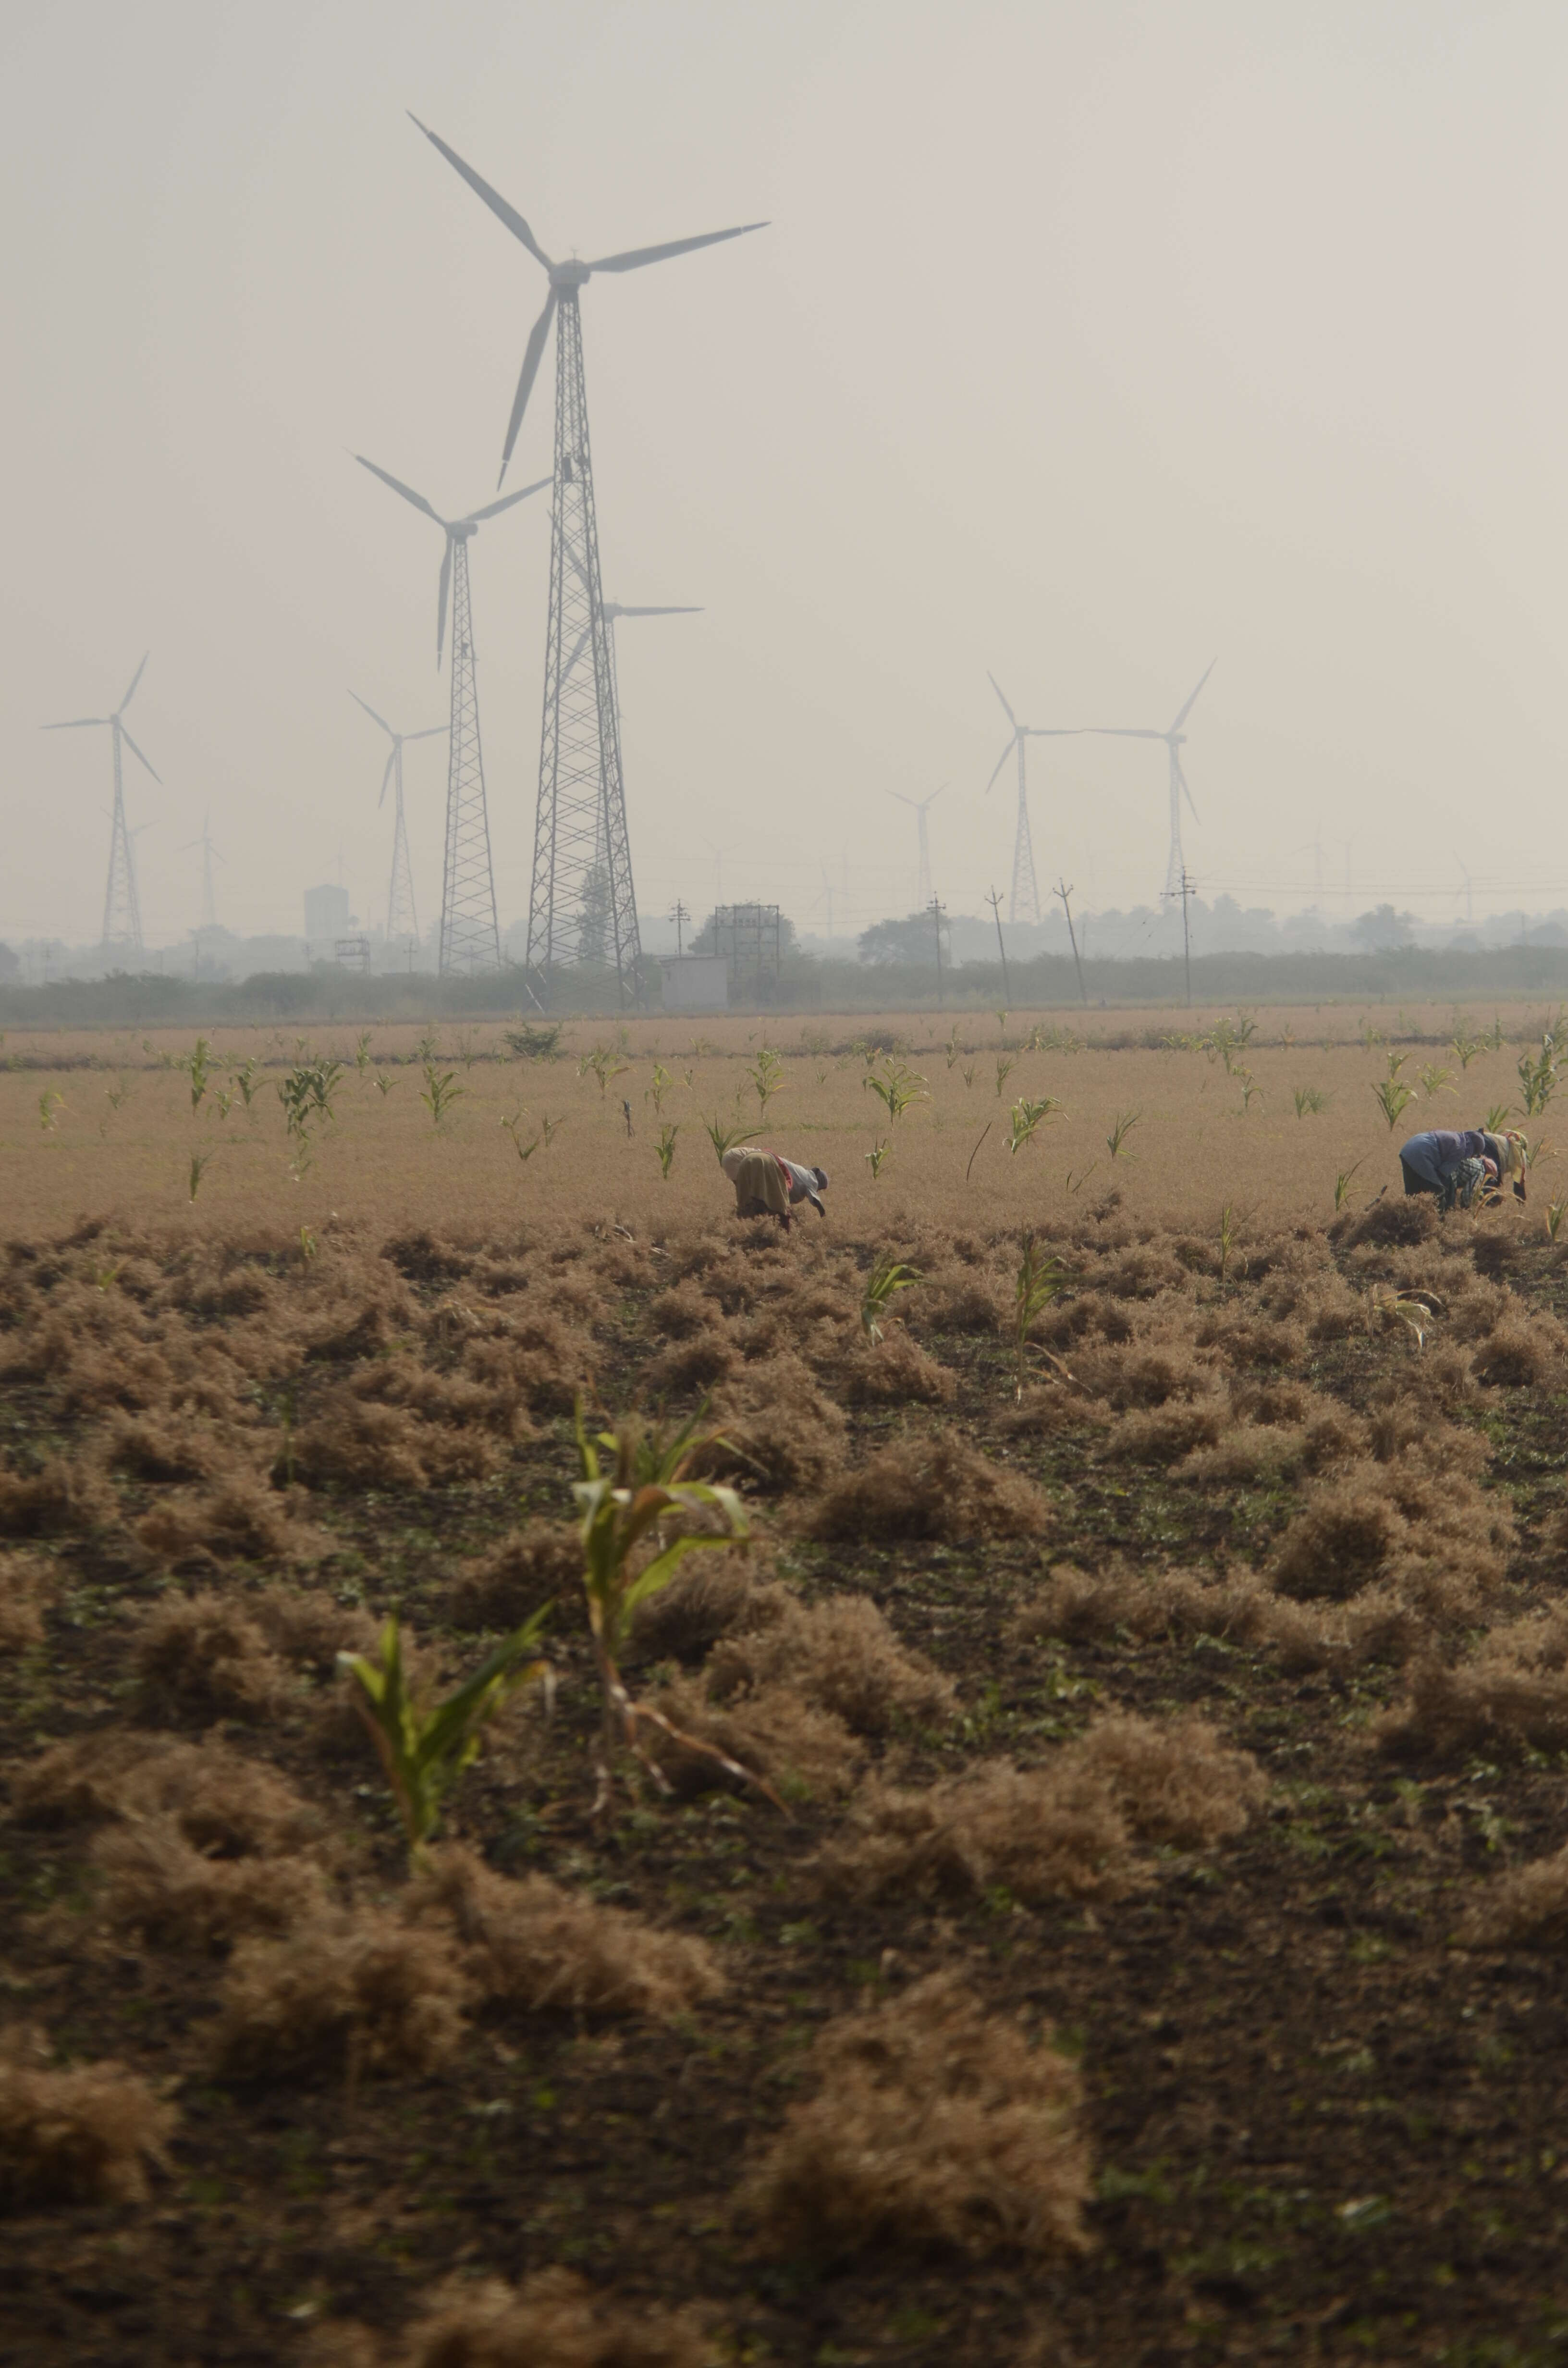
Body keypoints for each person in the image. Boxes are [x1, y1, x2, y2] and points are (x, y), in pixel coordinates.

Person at [1397, 1125, 1527, 1212]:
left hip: (1408, 1149)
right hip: (1422, 1153)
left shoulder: (1461, 1139)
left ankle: (1401, 1216)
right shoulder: (1461, 1150)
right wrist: (1456, 1207)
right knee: (1437, 1195)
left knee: (1413, 1196)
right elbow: (1446, 1176)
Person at [721, 1146, 829, 1231]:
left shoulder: (801, 1172)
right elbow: (816, 1200)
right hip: (765, 1162)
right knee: (783, 1217)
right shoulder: (812, 1181)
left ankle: (733, 1232)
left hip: (748, 1161)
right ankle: (782, 1243)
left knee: (747, 1208)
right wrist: (825, 1219)